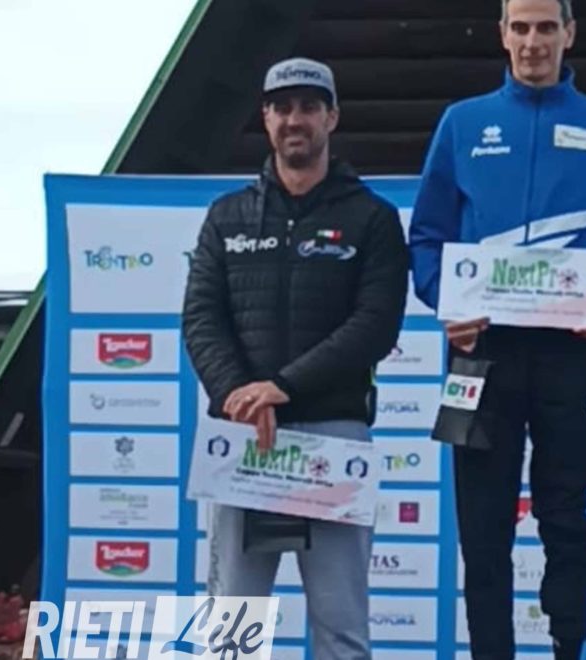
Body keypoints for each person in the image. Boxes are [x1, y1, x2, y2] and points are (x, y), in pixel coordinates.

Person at [407, 0, 586, 657]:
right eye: (521, 27)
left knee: (566, 520)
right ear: (502, 35)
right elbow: (426, 237)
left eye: (547, 27)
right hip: (480, 355)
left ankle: (570, 649)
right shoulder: (462, 123)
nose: (533, 41)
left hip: (569, 355)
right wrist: (445, 302)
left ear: (569, 34)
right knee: (483, 529)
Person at [182, 57, 409, 660]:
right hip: (243, 434)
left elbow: (375, 326)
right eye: (282, 108)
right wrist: (239, 393)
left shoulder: (373, 218)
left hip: (333, 433)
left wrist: (282, 385)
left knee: (341, 626)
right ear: (265, 118)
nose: (294, 120)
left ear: (332, 117)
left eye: (309, 107)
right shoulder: (226, 216)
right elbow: (201, 317)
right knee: (232, 626)